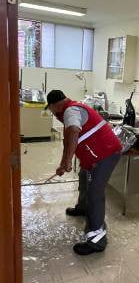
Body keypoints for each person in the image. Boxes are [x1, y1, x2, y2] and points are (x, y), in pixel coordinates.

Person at [45, 90, 122, 255]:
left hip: (106, 154)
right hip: (96, 155)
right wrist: (63, 163)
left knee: (95, 192)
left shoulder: (70, 111)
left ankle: (97, 240)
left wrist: (67, 161)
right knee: (83, 177)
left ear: (54, 105)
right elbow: (68, 143)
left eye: (50, 109)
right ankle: (83, 207)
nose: (51, 112)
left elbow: (73, 131)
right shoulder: (70, 109)